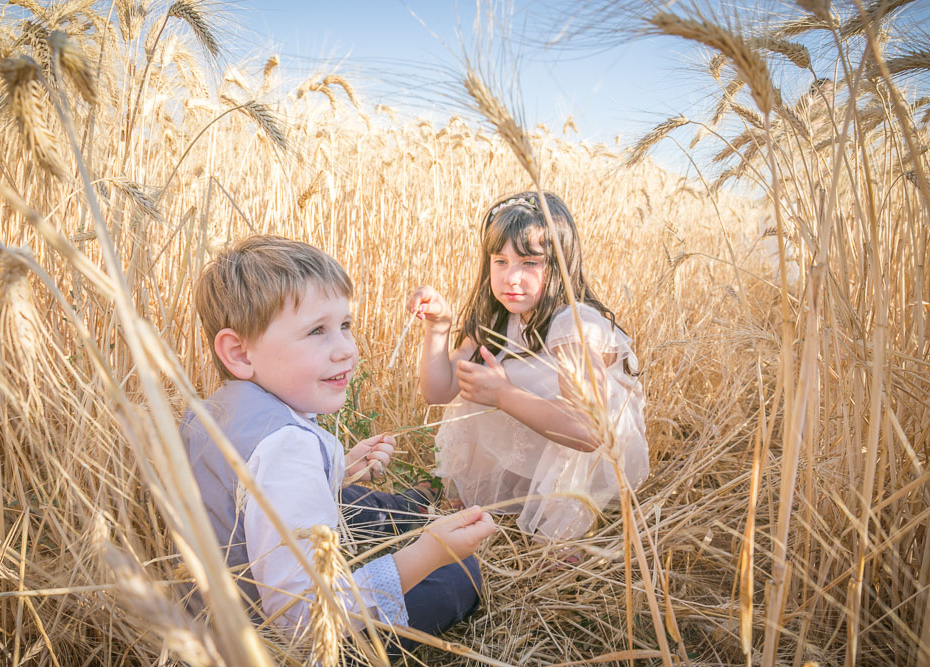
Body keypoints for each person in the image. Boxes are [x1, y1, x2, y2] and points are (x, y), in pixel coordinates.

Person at [180, 235, 495, 660]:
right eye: (316, 331)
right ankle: (422, 526)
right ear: (239, 352)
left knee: (361, 499)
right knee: (459, 576)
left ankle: (410, 508)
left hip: (214, 615)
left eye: (345, 325)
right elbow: (303, 617)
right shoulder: (286, 448)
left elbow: (244, 503)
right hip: (276, 647)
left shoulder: (209, 410)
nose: (348, 349)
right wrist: (429, 553)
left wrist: (338, 468)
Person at [406, 191, 649, 541]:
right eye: (500, 262)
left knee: (493, 387)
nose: (511, 278)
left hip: (591, 457)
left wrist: (504, 394)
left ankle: (564, 524)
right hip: (541, 436)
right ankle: (493, 494)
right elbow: (438, 392)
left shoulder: (573, 325)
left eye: (529, 263)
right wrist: (438, 327)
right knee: (478, 383)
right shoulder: (499, 317)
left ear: (561, 264)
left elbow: (589, 433)